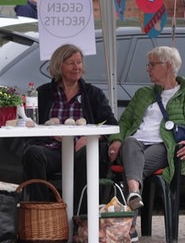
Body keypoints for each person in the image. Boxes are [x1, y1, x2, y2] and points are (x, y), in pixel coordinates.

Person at [107, 46, 185, 239]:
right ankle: (134, 196)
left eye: (152, 64)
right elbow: (124, 122)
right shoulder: (143, 94)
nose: (147, 68)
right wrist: (115, 140)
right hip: (135, 146)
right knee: (130, 142)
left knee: (135, 165)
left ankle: (130, 219)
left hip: (166, 148)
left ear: (168, 66)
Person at [22, 44, 118, 208]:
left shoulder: (92, 93)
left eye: (79, 62)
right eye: (70, 63)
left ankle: (79, 216)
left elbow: (111, 123)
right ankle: (43, 212)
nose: (76, 67)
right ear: (59, 66)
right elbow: (29, 123)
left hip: (79, 149)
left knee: (86, 155)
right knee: (32, 153)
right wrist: (50, 134)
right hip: (52, 150)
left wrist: (90, 138)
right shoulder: (44, 93)